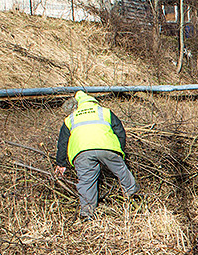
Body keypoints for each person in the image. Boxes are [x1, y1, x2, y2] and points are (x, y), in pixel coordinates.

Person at [55, 91, 139, 221]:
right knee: (122, 172)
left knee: (86, 182)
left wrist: (61, 163)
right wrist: (120, 151)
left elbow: (62, 142)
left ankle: (87, 214)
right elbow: (120, 131)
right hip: (107, 147)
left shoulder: (71, 118)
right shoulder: (104, 112)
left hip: (81, 152)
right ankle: (135, 199)